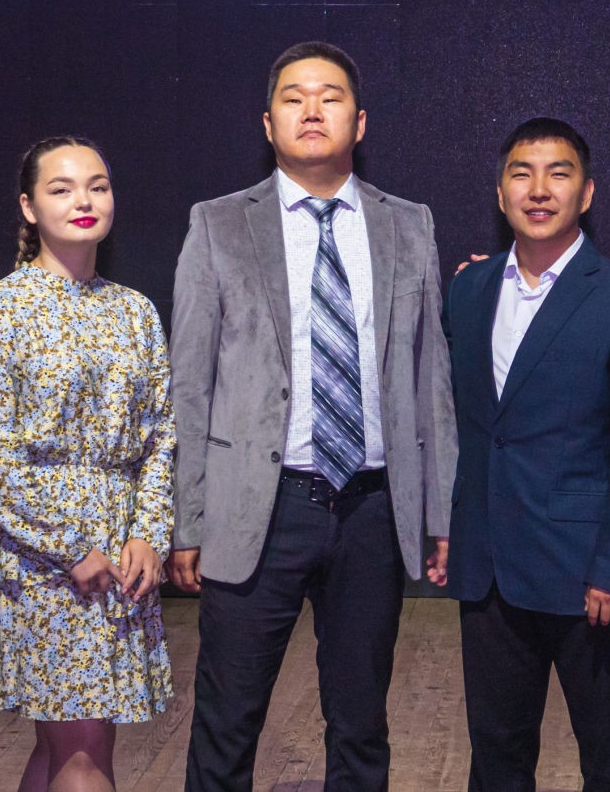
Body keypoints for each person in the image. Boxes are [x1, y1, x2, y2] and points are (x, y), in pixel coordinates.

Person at [167, 41, 458, 792]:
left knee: (361, 725)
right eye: (293, 98)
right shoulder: (219, 224)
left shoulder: (409, 224)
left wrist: (439, 509)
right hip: (260, 505)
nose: (311, 109)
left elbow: (430, 376)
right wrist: (186, 520)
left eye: (329, 96)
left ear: (358, 122)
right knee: (227, 721)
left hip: (371, 507)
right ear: (268, 123)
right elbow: (188, 385)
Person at [443, 118, 610, 792]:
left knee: (607, 756)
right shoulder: (468, 289)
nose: (539, 189)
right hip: (489, 568)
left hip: (588, 575)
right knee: (496, 753)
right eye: (521, 174)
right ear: (500, 194)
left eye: (559, 173)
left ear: (587, 192)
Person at [0, 137, 175, 792]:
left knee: (67, 748)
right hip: (36, 558)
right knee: (82, 752)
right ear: (28, 206)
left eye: (97, 185)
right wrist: (69, 546)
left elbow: (161, 433)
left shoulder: (134, 310)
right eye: (62, 187)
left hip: (119, 555)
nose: (83, 200)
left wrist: (148, 534)